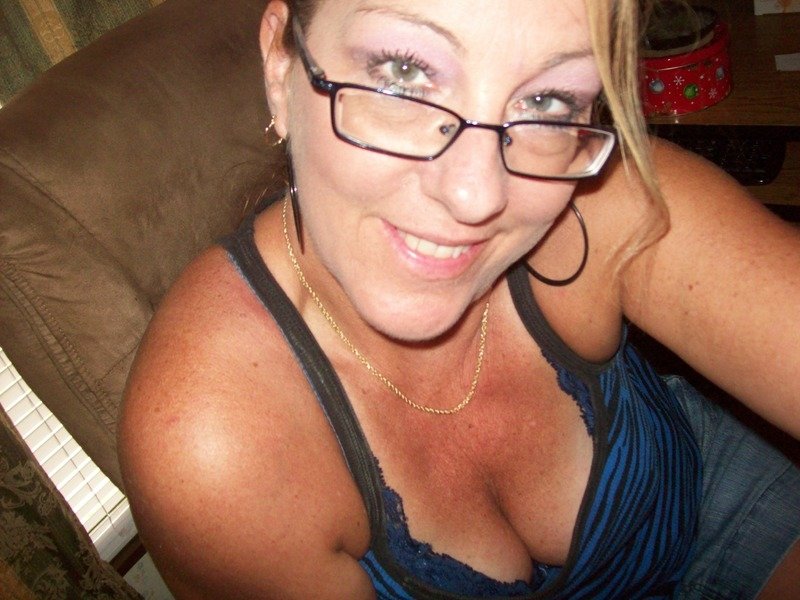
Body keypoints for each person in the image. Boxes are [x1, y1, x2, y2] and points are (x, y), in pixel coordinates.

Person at [117, 0, 800, 597]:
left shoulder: (596, 199)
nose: (478, 196)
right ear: (281, 63)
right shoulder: (214, 447)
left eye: (548, 102)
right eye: (404, 73)